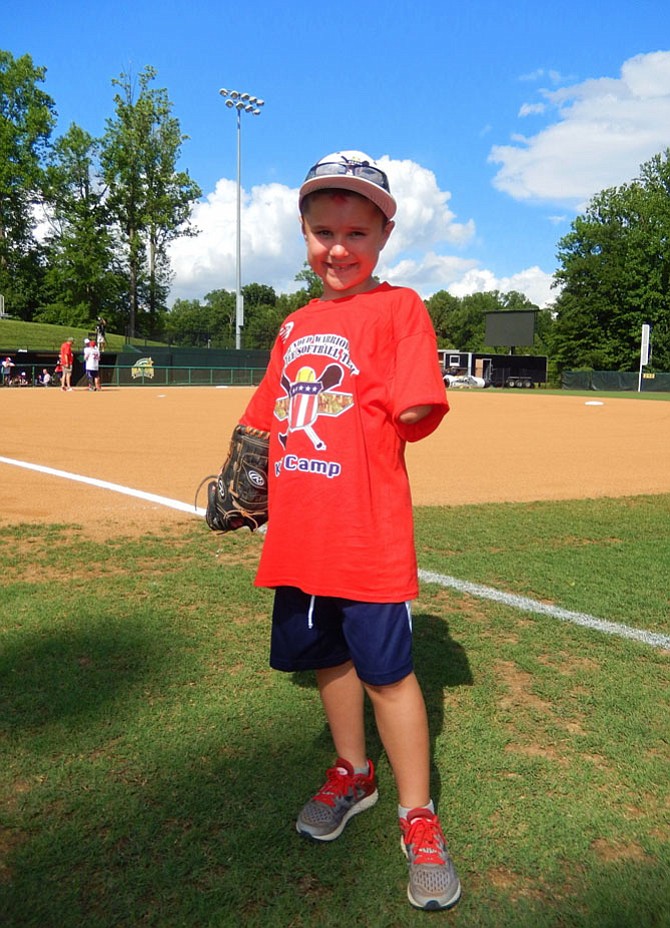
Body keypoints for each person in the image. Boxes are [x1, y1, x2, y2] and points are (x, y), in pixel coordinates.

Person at [232, 151, 460, 911]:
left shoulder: (400, 310)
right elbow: (262, 420)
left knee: (389, 674)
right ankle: (353, 773)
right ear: (303, 234)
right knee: (327, 661)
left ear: (384, 236)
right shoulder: (293, 325)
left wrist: (404, 403)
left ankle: (417, 815)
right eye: (323, 230)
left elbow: (417, 402)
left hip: (366, 539)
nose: (338, 246)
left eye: (356, 232)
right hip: (300, 539)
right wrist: (247, 474)